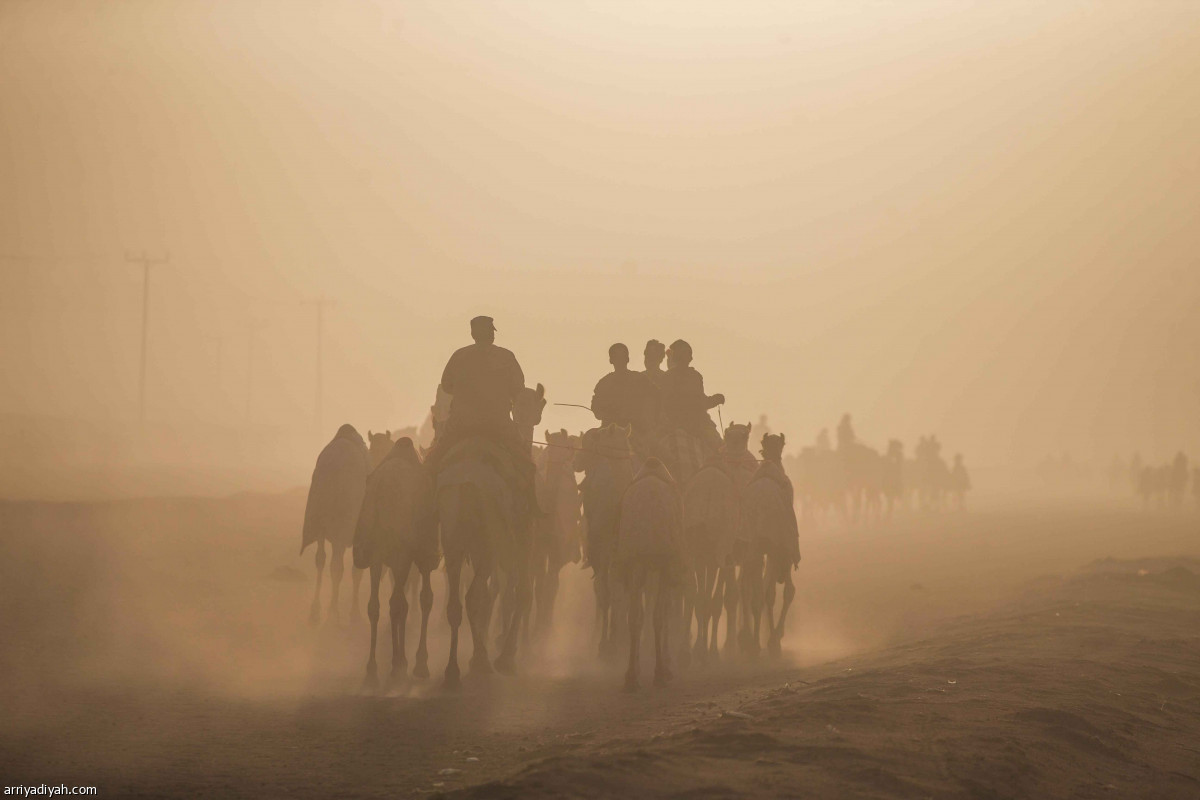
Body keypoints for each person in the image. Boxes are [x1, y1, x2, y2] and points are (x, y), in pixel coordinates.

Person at [424, 316, 536, 514]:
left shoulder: (459, 356)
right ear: (490, 334)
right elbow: (518, 388)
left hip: (461, 424)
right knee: (525, 463)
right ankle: (532, 507)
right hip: (499, 425)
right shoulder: (506, 357)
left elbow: (447, 386)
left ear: (473, 334)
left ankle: (422, 511)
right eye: (491, 331)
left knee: (431, 462)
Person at [659, 339, 724, 454]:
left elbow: (701, 401)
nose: (688, 358)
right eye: (685, 354)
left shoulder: (695, 376)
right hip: (676, 424)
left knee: (720, 449)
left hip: (697, 424)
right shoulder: (668, 378)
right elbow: (665, 404)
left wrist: (715, 399)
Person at [591, 343, 653, 451]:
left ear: (627, 359)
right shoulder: (604, 383)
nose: (619, 360)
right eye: (616, 357)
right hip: (608, 433)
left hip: (637, 432)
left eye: (622, 356)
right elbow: (596, 410)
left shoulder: (640, 380)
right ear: (611, 360)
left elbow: (653, 402)